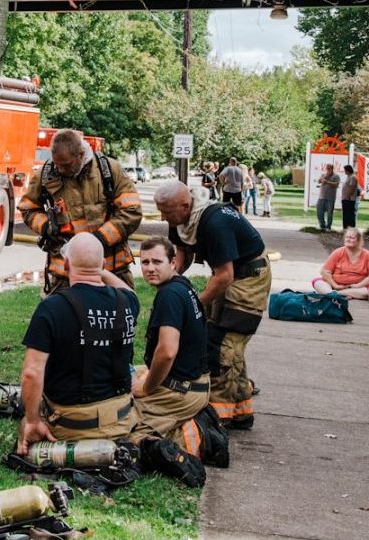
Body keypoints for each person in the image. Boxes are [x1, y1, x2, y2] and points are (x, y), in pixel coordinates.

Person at [154, 181, 271, 430]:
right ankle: (241, 411)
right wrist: (170, 280)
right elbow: (182, 254)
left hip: (249, 277)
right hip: (227, 274)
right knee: (216, 336)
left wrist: (193, 304)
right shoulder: (181, 219)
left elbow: (224, 275)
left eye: (167, 211)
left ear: (186, 206)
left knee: (223, 346)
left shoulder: (215, 222)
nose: (163, 216)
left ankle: (217, 418)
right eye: (160, 210)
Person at [16, 233, 140, 453]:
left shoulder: (52, 308)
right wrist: (97, 269)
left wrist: (33, 421)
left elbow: (31, 373)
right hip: (122, 418)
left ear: (65, 264)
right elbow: (129, 292)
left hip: (73, 425)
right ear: (102, 265)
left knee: (24, 423)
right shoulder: (127, 302)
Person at [18, 129, 142, 294]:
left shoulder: (110, 170)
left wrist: (98, 240)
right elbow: (28, 209)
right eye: (57, 164)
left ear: (81, 154)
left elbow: (132, 211)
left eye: (66, 165)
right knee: (60, 319)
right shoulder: (46, 174)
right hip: (65, 274)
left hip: (112, 269)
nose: (60, 170)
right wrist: (47, 226)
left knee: (119, 317)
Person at [129, 236, 210, 457]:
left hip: (183, 391)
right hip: (194, 383)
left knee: (122, 426)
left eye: (157, 262)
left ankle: (192, 437)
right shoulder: (180, 285)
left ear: (173, 263)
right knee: (120, 374)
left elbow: (166, 352)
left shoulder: (170, 296)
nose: (150, 268)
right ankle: (183, 423)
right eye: (145, 263)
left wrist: (145, 389)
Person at [312, 227, 369, 300]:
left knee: (366, 293)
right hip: (335, 285)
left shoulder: (367, 255)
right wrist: (335, 285)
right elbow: (325, 271)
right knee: (318, 282)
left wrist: (358, 285)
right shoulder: (338, 252)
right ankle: (337, 294)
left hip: (358, 287)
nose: (348, 239)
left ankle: (335, 294)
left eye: (352, 238)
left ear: (359, 240)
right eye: (347, 237)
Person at [316, 164, 340, 231]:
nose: (328, 169)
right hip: (321, 197)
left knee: (329, 214)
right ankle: (322, 226)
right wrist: (325, 177)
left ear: (332, 168)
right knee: (319, 212)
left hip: (330, 198)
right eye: (327, 168)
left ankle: (328, 227)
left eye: (329, 168)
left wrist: (327, 182)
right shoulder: (323, 175)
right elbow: (319, 181)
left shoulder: (336, 176)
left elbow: (336, 185)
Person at [341, 165, 359, 229]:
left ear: (348, 170)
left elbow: (352, 187)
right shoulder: (349, 177)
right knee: (345, 214)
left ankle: (350, 227)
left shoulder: (352, 177)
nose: (344, 171)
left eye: (345, 170)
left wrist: (347, 196)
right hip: (346, 198)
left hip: (349, 199)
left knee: (349, 214)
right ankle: (345, 227)